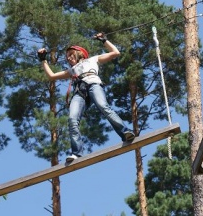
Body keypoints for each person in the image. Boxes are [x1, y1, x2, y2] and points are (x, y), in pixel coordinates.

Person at [37, 33, 135, 163]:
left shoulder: (93, 59)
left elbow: (115, 52)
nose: (69, 58)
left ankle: (125, 132)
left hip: (93, 84)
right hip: (80, 91)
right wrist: (43, 59)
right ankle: (76, 153)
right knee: (72, 119)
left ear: (80, 54)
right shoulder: (71, 70)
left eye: (71, 54)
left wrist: (104, 41)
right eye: (67, 57)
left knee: (104, 107)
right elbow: (52, 76)